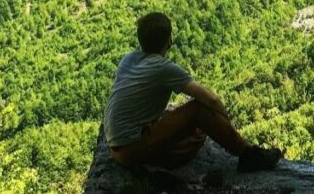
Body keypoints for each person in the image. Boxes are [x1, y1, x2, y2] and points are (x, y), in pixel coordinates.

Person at [102, 11, 283, 172]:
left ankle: (159, 158)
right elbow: (211, 100)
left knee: (196, 132)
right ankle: (249, 156)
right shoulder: (164, 68)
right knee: (198, 111)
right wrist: (227, 126)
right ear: (169, 41)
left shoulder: (129, 59)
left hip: (116, 146)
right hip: (131, 148)